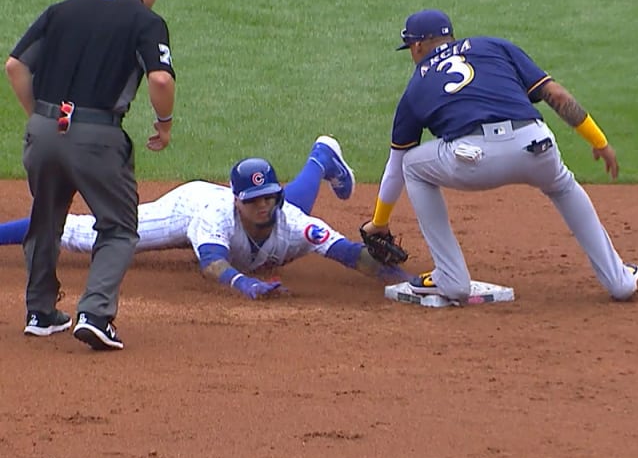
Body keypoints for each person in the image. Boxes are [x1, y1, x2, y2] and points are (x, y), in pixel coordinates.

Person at [360, 9, 638, 304]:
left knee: (413, 165)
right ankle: (619, 281)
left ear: (417, 46)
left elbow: (396, 166)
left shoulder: (416, 86)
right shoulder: (493, 46)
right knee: (563, 186)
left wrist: (379, 222)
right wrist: (598, 141)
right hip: (535, 145)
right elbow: (555, 95)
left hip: (474, 160)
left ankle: (450, 277)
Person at [0, 136, 408, 325]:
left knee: (295, 211)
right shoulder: (211, 214)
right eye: (253, 200)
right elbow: (211, 263)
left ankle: (321, 157)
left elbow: (350, 255)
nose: (263, 204)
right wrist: (244, 285)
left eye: (269, 196)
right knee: (94, 237)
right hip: (186, 207)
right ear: (236, 200)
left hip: (270, 226)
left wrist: (403, 279)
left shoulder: (292, 221)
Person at [5, 0, 176, 350]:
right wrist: (164, 125)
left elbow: (14, 66)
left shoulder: (62, 10)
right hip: (98, 137)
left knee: (46, 218)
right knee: (118, 226)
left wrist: (42, 120)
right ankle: (95, 314)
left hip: (44, 130)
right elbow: (161, 80)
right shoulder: (146, 21)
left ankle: (39, 313)